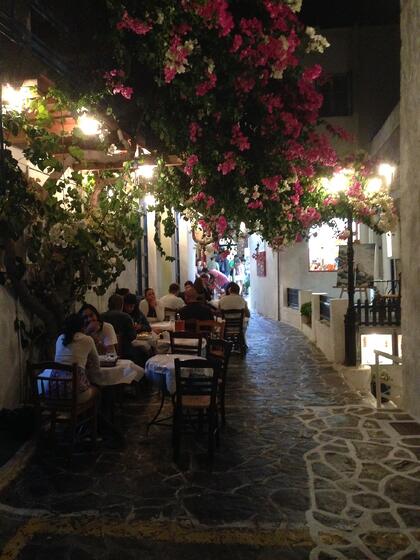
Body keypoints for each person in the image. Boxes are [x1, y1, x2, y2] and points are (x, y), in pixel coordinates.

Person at [53, 314, 100, 403]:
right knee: (97, 390)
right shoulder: (88, 339)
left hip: (55, 392)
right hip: (75, 394)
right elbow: (97, 364)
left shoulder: (60, 338)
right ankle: (88, 416)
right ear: (82, 326)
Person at [101, 294, 137, 360]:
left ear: (108, 304)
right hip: (125, 353)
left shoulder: (101, 316)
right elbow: (132, 337)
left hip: (104, 352)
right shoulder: (126, 317)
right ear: (122, 305)